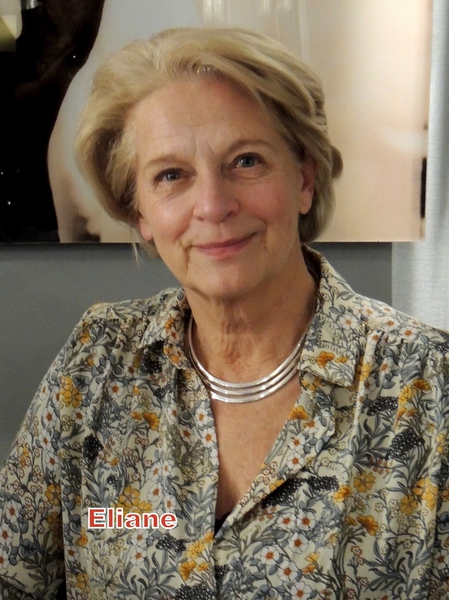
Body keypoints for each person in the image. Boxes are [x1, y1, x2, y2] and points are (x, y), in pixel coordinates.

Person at [0, 26, 448, 600]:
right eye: (171, 175)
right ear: (140, 213)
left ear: (304, 178)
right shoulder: (96, 360)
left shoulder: (429, 382)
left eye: (245, 161)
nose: (212, 205)